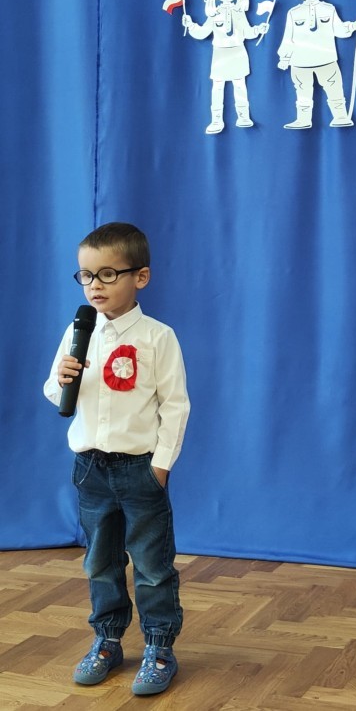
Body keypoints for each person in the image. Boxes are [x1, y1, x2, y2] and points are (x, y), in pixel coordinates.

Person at [43, 222, 190, 696]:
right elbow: (54, 393)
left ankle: (159, 646)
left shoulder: (158, 337)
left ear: (140, 277)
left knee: (151, 564)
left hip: (139, 468)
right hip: (89, 467)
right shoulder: (77, 331)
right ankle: (107, 639)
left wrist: (161, 465)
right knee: (99, 562)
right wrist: (62, 379)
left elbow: (176, 406)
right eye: (86, 276)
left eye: (108, 274)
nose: (95, 286)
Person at [278, 0, 356, 129]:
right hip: (300, 62)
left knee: (334, 89)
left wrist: (354, 26)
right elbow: (288, 38)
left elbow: (339, 30)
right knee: (302, 92)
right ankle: (303, 119)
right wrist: (284, 58)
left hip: (326, 60)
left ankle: (340, 116)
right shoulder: (293, 13)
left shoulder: (329, 9)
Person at [182, 0, 268, 134]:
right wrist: (190, 25)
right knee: (218, 87)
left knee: (240, 85)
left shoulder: (239, 12)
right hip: (220, 54)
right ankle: (216, 120)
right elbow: (202, 33)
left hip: (238, 52)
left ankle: (243, 116)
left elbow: (248, 32)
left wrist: (259, 29)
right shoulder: (214, 15)